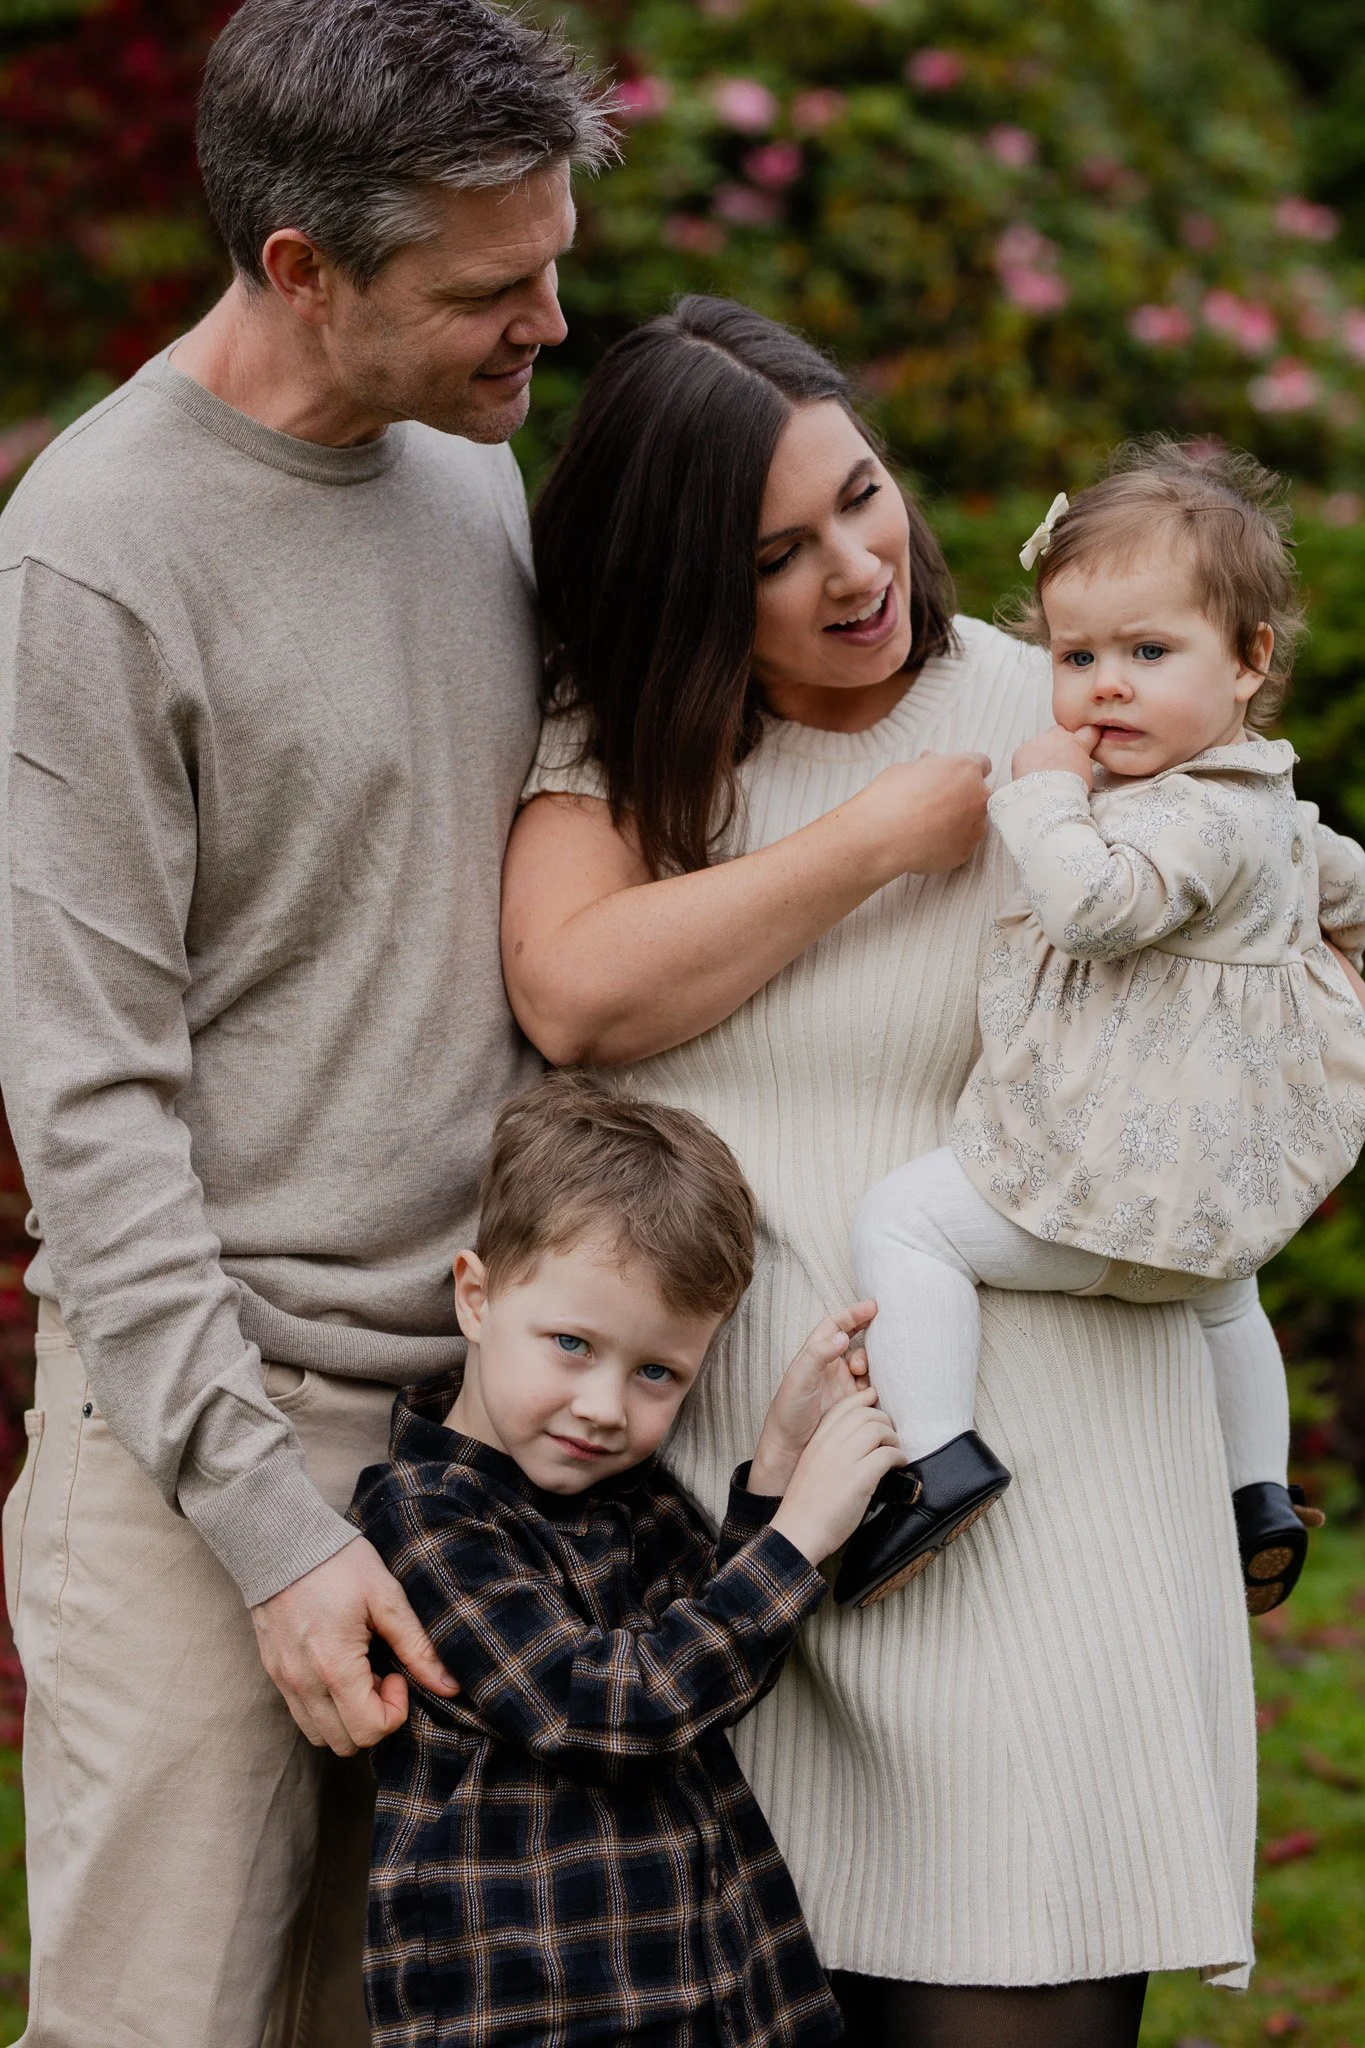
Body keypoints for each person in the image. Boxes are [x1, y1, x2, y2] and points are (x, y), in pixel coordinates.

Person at [501, 297, 1264, 2047]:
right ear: (693, 580)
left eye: (864, 494)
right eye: (780, 550)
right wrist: (872, 839)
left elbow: (1266, 916)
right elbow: (574, 990)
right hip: (749, 1525)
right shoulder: (629, 749)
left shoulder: (1069, 713)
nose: (859, 565)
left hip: (1032, 1505)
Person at [0, 3, 610, 2041]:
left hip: (483, 1439)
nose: (546, 315)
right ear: (299, 267)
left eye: (553, 256)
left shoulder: (466, 474)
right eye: (487, 285)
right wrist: (270, 1533)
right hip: (206, 1451)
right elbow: (86, 1099)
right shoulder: (95, 558)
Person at [843, 442, 1359, 1611]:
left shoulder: (1179, 819)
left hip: (1100, 1185)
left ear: (1249, 661)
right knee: (1232, 1297)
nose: (1105, 684)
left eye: (1147, 652)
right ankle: (1257, 1493)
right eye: (1076, 656)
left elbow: (1096, 908)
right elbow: (1350, 888)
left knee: (907, 1220)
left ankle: (933, 1459)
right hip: (1203, 1210)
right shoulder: (1273, 805)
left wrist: (1041, 788)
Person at [353, 1073, 903, 2048]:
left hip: (708, 1983)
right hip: (542, 2002)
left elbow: (716, 1653)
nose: (605, 1405)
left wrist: (775, 1464)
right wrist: (798, 1536)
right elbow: (606, 1706)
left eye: (657, 1372)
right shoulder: (426, 1518)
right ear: (475, 1296)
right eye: (572, 1343)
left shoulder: (626, 1495)